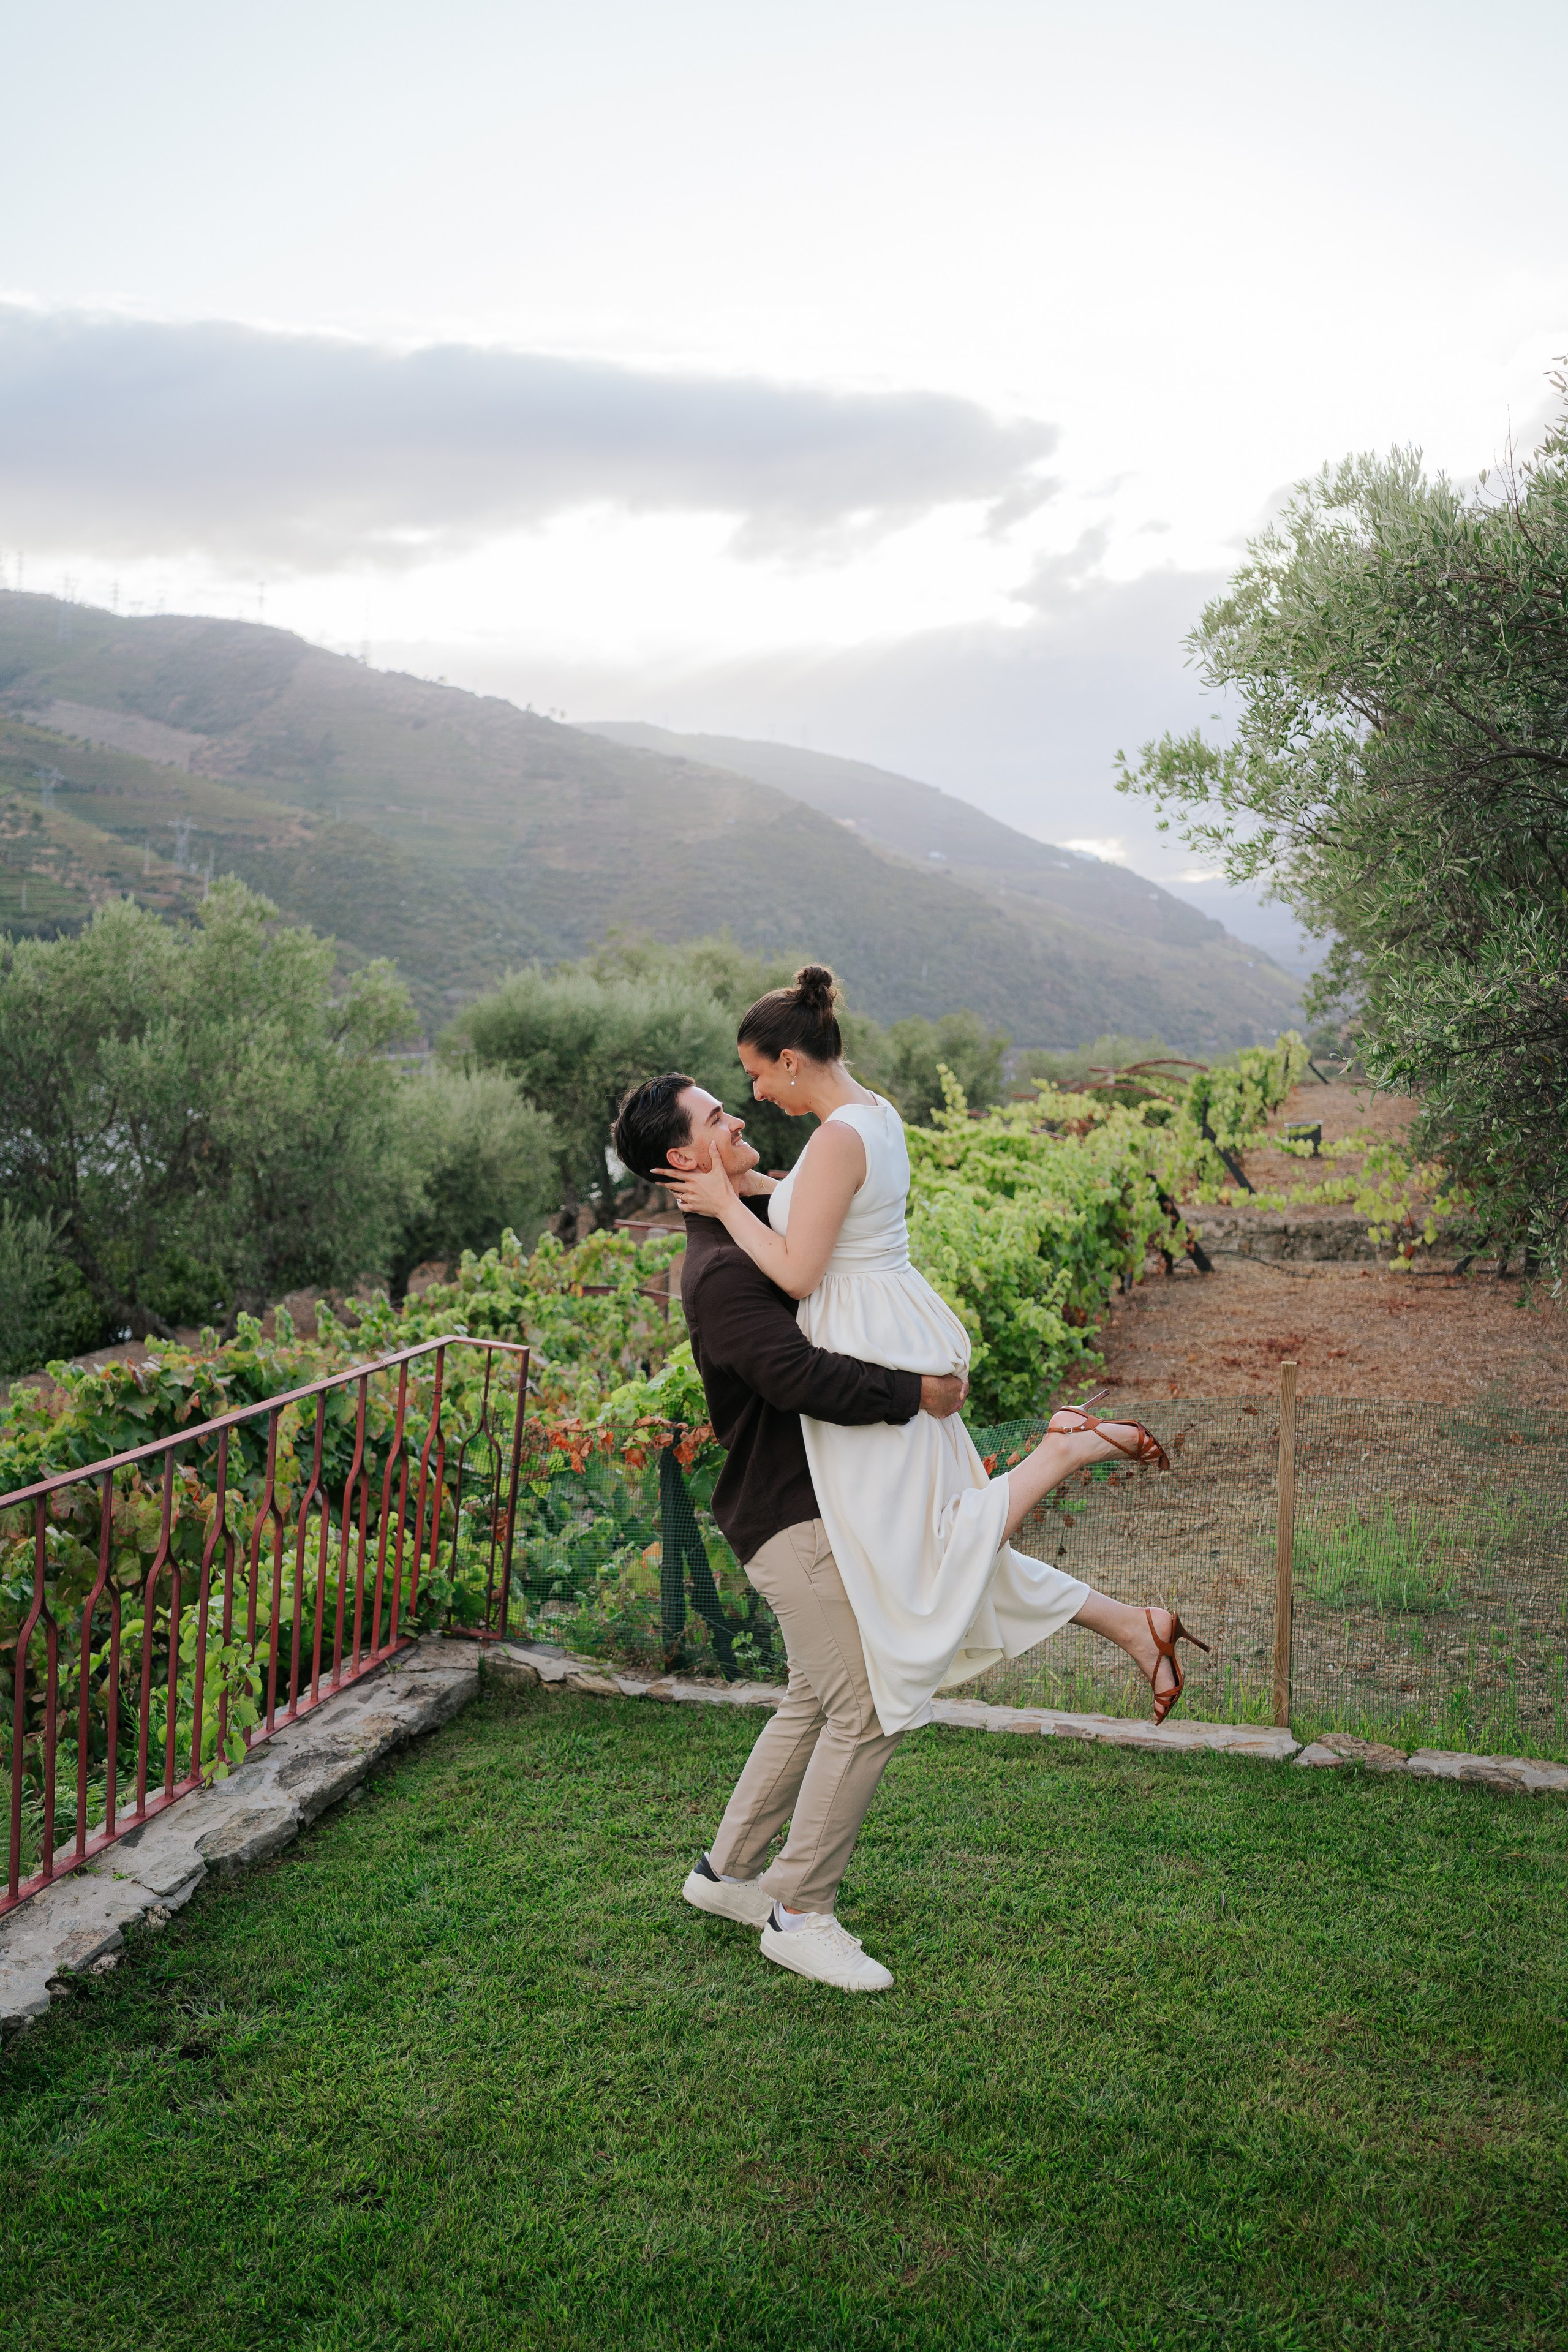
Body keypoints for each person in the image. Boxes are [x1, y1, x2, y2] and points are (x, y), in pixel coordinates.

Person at [612, 1052, 1205, 1995]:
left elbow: (818, 1224)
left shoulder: (749, 1225)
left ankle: (727, 1878)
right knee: (870, 1703)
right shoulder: (720, 1275)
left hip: (824, 1507)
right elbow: (801, 1379)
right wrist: (917, 1393)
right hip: (795, 1522)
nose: (734, 1125)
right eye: (714, 1122)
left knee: (818, 1694)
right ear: (678, 1167)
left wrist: (770, 1174)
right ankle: (800, 1912)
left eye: (731, 1109)